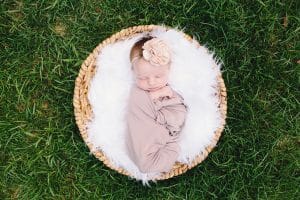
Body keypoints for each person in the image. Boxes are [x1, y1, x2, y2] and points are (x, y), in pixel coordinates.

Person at [126, 36, 188, 173]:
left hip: (160, 140)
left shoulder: (171, 93)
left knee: (148, 163)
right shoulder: (137, 93)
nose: (152, 82)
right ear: (134, 73)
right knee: (137, 94)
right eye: (142, 78)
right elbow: (135, 112)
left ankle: (162, 151)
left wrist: (163, 114)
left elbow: (178, 111)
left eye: (158, 76)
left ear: (168, 70)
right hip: (141, 139)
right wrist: (155, 95)